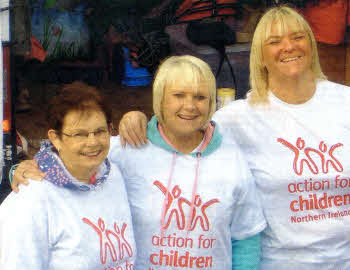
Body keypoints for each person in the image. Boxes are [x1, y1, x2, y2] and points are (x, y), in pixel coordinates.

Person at [103, 5, 350, 269]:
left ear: (311, 45)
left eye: (298, 37)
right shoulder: (237, 118)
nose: (288, 46)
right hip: (280, 262)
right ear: (260, 56)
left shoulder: (344, 102)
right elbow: (183, 123)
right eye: (275, 41)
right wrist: (138, 119)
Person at [11, 55, 266, 270]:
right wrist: (22, 168)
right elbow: (71, 158)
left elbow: (246, 237)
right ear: (160, 100)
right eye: (178, 95)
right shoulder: (128, 147)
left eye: (200, 97)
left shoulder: (231, 158)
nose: (189, 106)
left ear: (211, 102)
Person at [0, 82, 136, 269]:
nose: (93, 142)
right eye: (79, 134)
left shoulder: (113, 176)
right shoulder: (34, 198)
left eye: (100, 131)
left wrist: (136, 117)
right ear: (55, 138)